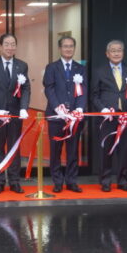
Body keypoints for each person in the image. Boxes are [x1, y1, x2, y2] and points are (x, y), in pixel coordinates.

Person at [91, 40, 127, 192]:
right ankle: (105, 181)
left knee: (124, 151)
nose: (116, 53)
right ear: (107, 54)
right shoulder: (99, 71)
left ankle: (123, 181)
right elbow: (94, 95)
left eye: (119, 50)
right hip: (108, 118)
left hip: (126, 116)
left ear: (123, 53)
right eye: (113, 50)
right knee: (106, 151)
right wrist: (102, 109)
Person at [0, 33, 29, 194]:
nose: (10, 47)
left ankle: (15, 181)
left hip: (15, 114)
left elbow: (25, 89)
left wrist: (24, 107)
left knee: (14, 148)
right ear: (0, 47)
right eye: (7, 44)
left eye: (13, 44)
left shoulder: (22, 65)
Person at [43, 36, 87, 193]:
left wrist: (80, 108)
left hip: (75, 117)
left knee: (73, 149)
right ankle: (57, 181)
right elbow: (49, 89)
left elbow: (83, 90)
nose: (68, 49)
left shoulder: (80, 68)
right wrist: (58, 108)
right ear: (60, 48)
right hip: (57, 116)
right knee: (55, 150)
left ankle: (71, 180)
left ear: (74, 48)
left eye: (71, 46)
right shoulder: (51, 67)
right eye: (65, 46)